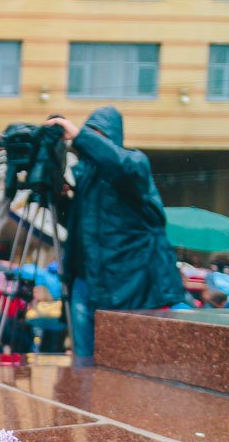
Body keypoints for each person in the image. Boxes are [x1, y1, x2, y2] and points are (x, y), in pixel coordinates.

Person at [45, 108, 185, 357]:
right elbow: (83, 228)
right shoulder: (86, 177)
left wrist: (80, 136)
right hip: (87, 281)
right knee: (84, 360)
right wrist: (61, 198)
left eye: (97, 135)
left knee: (123, 360)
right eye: (89, 134)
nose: (92, 140)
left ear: (112, 138)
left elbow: (121, 166)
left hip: (127, 285)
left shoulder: (134, 163)